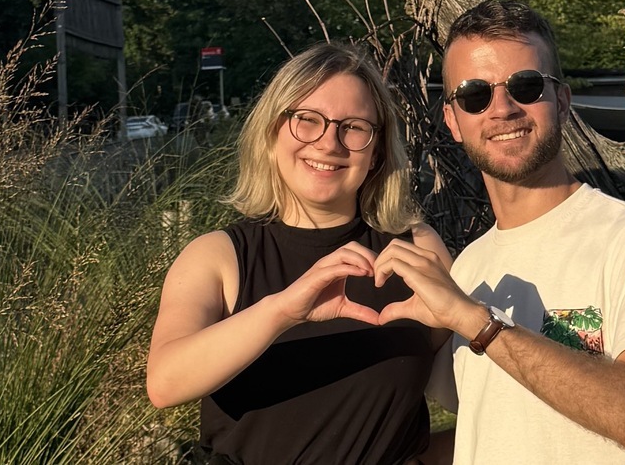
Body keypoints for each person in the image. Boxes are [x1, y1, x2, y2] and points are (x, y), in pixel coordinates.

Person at [373, 0, 625, 464]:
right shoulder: (469, 268)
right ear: (453, 121)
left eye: (526, 86)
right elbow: (495, 428)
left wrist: (478, 323)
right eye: (474, 95)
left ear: (561, 101)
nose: (502, 109)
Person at [146, 43, 453, 464]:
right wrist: (283, 311)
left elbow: (477, 395)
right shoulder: (217, 256)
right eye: (306, 121)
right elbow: (164, 383)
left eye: (354, 127)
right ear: (272, 133)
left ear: (377, 151)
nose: (329, 143)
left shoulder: (416, 248)